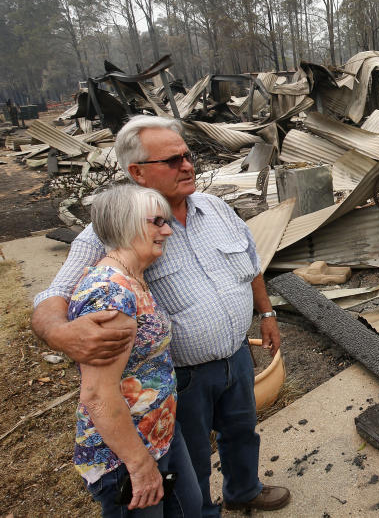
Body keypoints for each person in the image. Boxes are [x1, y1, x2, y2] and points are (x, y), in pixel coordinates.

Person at [33, 115, 290, 516]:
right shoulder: (114, 229)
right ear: (136, 172)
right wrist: (58, 333)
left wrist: (267, 313)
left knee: (242, 432)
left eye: (187, 156)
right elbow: (55, 294)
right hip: (182, 375)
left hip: (237, 355)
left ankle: (244, 490)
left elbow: (252, 264)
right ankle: (203, 511)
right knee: (191, 464)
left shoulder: (217, 208)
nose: (187, 166)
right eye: (172, 161)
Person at [70, 184, 201, 517]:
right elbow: (98, 394)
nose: (167, 230)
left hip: (159, 433)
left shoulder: (134, 277)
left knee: (190, 507)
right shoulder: (110, 294)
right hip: (125, 457)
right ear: (126, 223)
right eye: (157, 221)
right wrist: (139, 464)